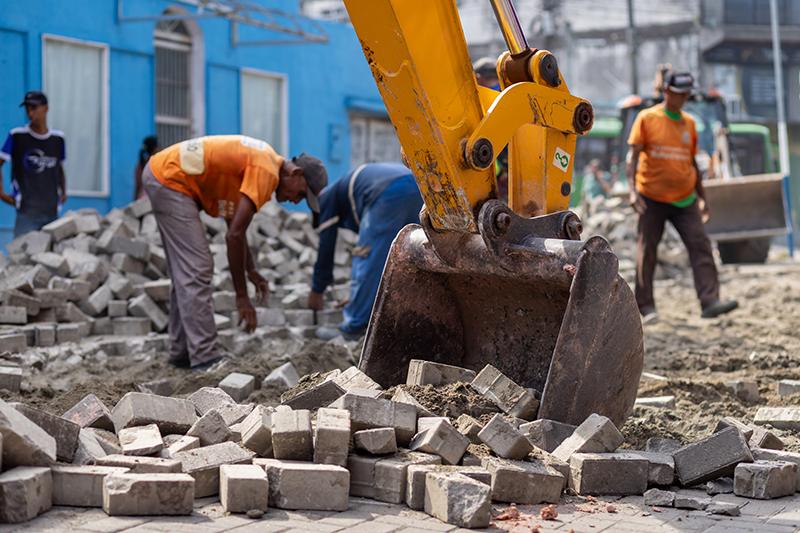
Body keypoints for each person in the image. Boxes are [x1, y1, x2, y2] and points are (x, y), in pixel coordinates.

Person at [143, 135, 327, 371]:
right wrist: (241, 296)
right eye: (301, 194)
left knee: (186, 271)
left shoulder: (264, 159)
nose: (296, 201)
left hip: (164, 174)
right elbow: (234, 237)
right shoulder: (266, 171)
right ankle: (206, 357)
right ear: (295, 173)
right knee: (197, 267)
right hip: (170, 179)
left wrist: (251, 270)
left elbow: (234, 227)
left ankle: (181, 355)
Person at [626, 70, 738, 321]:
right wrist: (633, 192)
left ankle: (710, 301)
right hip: (651, 197)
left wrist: (703, 198)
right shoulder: (647, 118)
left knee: (700, 245)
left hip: (685, 199)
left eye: (687, 94)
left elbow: (692, 164)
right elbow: (632, 157)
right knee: (647, 251)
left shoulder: (688, 123)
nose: (684, 98)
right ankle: (645, 307)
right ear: (666, 92)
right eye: (680, 94)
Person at [308, 162, 423, 341]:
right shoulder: (343, 193)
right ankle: (407, 320)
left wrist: (317, 289)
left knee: (366, 255)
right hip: (417, 184)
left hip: (388, 191)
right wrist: (360, 296)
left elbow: (326, 247)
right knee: (409, 255)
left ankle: (353, 327)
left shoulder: (325, 202)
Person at [0, 91, 67, 237]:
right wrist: (1, 193)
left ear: (46, 108)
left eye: (34, 108)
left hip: (51, 212)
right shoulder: (17, 135)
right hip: (26, 213)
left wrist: (63, 192)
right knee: (20, 258)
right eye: (27, 109)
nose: (30, 113)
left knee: (51, 259)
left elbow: (59, 167)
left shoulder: (58, 139)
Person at [134, 136, 159, 200]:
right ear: (155, 148)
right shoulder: (156, 164)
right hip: (154, 199)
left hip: (142, 199)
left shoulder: (140, 164)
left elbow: (138, 186)